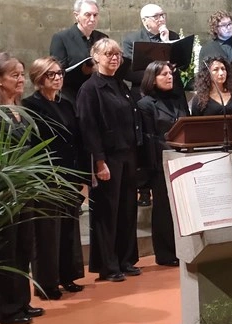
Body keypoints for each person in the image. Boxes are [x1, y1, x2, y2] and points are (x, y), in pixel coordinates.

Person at [76, 38, 143, 283]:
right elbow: (89, 128)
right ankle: (108, 265)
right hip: (107, 159)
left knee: (127, 209)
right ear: (95, 58)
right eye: (108, 54)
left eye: (117, 55)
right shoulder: (89, 89)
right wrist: (99, 162)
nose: (114, 58)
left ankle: (125, 260)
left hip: (127, 154)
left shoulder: (120, 84)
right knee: (107, 212)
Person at [22, 58, 86, 301]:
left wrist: (80, 173)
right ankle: (46, 284)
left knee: (68, 229)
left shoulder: (66, 104)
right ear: (39, 78)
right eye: (51, 75)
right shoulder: (30, 106)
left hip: (69, 174)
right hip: (46, 176)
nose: (58, 78)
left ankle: (66, 276)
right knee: (47, 233)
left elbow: (75, 140)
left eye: (60, 73)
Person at [0, 54, 46, 324]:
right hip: (7, 190)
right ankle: (7, 309)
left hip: (26, 188)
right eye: (13, 75)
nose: (20, 80)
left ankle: (22, 302)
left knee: (24, 246)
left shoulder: (21, 110)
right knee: (7, 248)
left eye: (21, 74)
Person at [121, 3, 181, 207]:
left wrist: (168, 43)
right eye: (156, 16)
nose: (161, 19)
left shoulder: (171, 34)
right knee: (145, 141)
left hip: (171, 94)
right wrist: (154, 73)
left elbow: (180, 65)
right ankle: (144, 189)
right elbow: (128, 71)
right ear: (145, 20)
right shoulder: (132, 39)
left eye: (163, 15)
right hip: (144, 95)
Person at [137, 61, 188, 266]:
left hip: (183, 159)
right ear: (152, 78)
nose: (169, 77)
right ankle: (166, 253)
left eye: (170, 73)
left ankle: (183, 249)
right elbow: (150, 137)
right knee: (164, 210)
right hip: (161, 162)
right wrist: (171, 152)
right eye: (164, 74)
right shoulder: (145, 104)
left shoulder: (178, 100)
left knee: (182, 208)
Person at [49, 0, 108, 102]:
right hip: (74, 95)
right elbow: (57, 72)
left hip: (100, 93)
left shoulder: (102, 38)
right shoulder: (61, 38)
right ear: (76, 16)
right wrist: (84, 71)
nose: (92, 19)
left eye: (95, 15)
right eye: (87, 15)